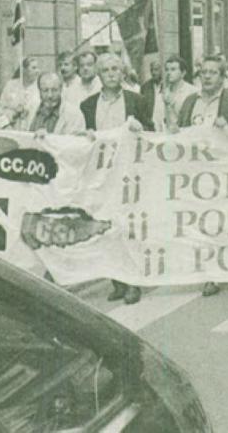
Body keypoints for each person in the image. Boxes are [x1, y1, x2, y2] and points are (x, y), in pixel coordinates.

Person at [174, 55, 228, 297]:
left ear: (222, 77)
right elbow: (180, 133)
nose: (207, 76)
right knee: (202, 221)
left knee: (220, 222)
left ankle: (218, 269)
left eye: (213, 72)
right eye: (204, 72)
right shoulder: (190, 102)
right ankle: (209, 270)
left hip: (223, 172)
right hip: (196, 174)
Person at [80, 52, 152, 305]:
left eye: (115, 69)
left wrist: (141, 129)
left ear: (122, 73)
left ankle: (133, 281)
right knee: (107, 227)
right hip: (102, 175)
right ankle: (117, 281)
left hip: (129, 174)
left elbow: (152, 132)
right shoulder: (87, 105)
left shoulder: (137, 101)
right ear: (99, 75)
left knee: (128, 227)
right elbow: (82, 139)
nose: (111, 74)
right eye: (106, 70)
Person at [22, 71, 85, 135]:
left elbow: (74, 140)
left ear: (61, 90)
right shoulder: (31, 110)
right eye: (45, 90)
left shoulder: (74, 114)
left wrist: (48, 139)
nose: (50, 95)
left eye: (54, 90)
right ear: (39, 91)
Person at [152, 56, 198, 132]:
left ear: (183, 73)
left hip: (185, 134)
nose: (169, 73)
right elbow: (156, 120)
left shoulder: (193, 92)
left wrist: (171, 106)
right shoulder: (162, 93)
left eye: (173, 69)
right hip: (165, 135)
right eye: (167, 70)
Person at [0, 56, 41, 130]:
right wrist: (15, 113)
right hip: (13, 128)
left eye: (38, 68)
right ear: (24, 70)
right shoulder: (11, 85)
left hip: (32, 128)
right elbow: (1, 107)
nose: (37, 71)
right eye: (33, 68)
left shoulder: (40, 87)